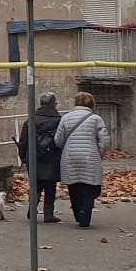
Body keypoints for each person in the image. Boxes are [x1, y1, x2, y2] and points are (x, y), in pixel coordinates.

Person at [54, 92, 110, 228]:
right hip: (90, 156)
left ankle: (78, 214)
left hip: (70, 156)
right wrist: (100, 154)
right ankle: (86, 213)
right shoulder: (96, 119)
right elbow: (104, 140)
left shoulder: (66, 118)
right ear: (91, 104)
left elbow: (58, 140)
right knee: (91, 187)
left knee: (74, 186)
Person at [16, 91, 63, 223]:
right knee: (50, 186)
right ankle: (48, 214)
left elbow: (23, 141)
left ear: (41, 104)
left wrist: (23, 157)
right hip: (53, 158)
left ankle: (32, 208)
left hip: (34, 157)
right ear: (54, 104)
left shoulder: (31, 120)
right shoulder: (59, 120)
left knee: (35, 185)